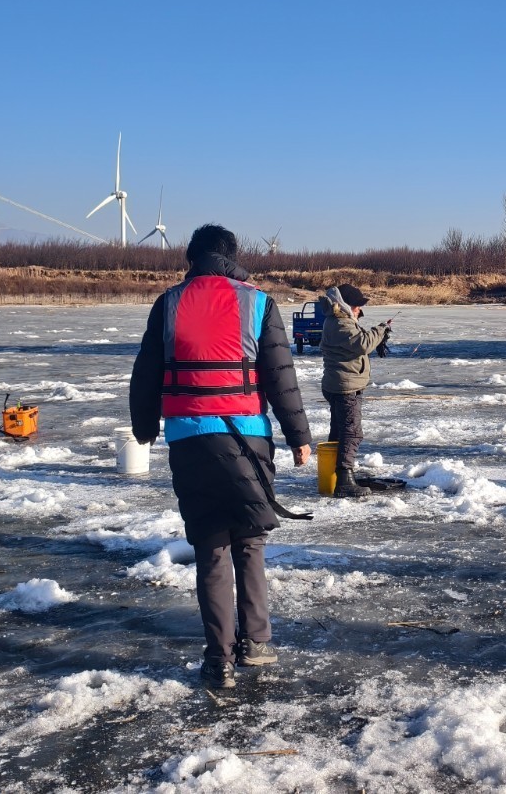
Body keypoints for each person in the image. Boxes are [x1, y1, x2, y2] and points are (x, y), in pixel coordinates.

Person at [129, 224, 313, 691]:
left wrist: (144, 428)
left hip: (190, 440)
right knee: (249, 541)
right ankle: (257, 643)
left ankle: (219, 661)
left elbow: (146, 374)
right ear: (233, 257)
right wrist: (299, 438)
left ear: (191, 258)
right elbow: (279, 375)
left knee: (211, 550)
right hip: (248, 439)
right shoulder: (258, 301)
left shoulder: (168, 303)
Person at [318, 283, 392, 496]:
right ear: (345, 305)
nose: (359, 309)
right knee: (352, 432)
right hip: (345, 387)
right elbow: (363, 343)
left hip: (340, 384)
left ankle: (336, 474)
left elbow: (358, 339)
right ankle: (344, 479)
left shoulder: (339, 321)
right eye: (357, 306)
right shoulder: (340, 324)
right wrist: (381, 329)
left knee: (340, 431)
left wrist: (373, 327)